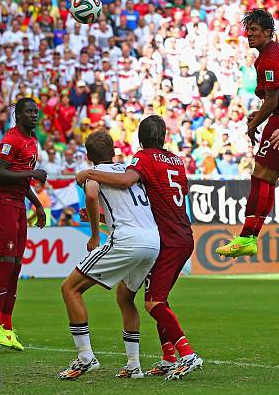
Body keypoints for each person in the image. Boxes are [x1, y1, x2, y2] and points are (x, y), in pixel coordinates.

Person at [76, 115, 203, 380]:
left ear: (140, 139)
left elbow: (124, 182)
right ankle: (169, 357)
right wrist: (101, 216)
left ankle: (187, 354)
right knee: (157, 299)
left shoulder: (143, 158)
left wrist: (89, 173)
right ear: (164, 137)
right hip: (179, 233)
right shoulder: (177, 162)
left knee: (154, 302)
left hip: (166, 239)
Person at [59, 131, 160, 380]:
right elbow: (128, 208)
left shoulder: (93, 174)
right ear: (114, 151)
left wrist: (94, 234)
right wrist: (102, 217)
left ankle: (85, 357)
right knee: (126, 298)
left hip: (126, 240)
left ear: (89, 156)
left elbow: (91, 195)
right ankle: (134, 365)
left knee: (70, 288)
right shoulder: (130, 171)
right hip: (152, 241)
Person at [215, 9, 279, 258]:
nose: (249, 35)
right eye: (248, 30)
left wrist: (253, 122)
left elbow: (272, 102)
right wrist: (257, 117)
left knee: (260, 177)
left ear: (268, 32)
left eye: (254, 30)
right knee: (267, 179)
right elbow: (271, 100)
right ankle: (250, 237)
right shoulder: (270, 54)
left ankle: (247, 237)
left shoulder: (271, 58)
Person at [0, 98, 48, 351]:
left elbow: (20, 180)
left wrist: (37, 205)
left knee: (17, 265)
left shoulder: (32, 141)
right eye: (29, 112)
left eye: (36, 112)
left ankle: (7, 327)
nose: (34, 115)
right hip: (2, 205)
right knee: (7, 261)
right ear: (18, 115)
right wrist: (30, 174)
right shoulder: (11, 140)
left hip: (18, 204)